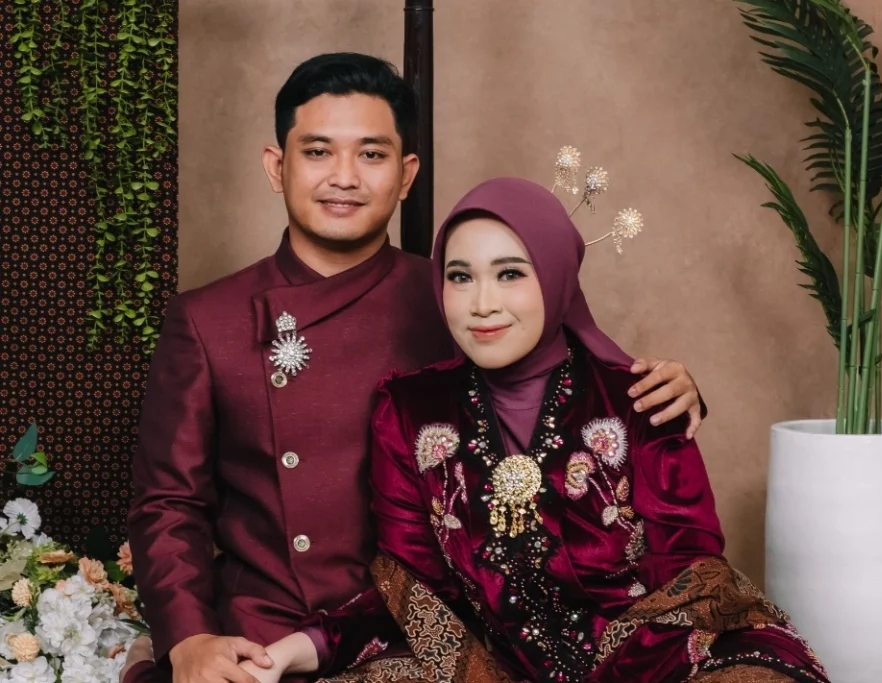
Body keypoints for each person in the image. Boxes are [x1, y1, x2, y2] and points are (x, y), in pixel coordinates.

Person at [122, 54, 706, 683]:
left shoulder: (460, 299)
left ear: (405, 176)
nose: (344, 177)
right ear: (276, 166)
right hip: (265, 637)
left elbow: (565, 398)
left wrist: (670, 390)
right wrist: (189, 638)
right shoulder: (207, 319)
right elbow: (169, 503)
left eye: (371, 154)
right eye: (317, 152)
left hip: (436, 637)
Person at [240, 178, 829, 683]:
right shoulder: (411, 411)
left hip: (656, 666)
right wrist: (290, 651)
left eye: (510, 274)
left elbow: (692, 582)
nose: (482, 303)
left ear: (556, 276)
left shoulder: (642, 400)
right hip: (495, 669)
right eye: (460, 277)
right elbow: (413, 594)